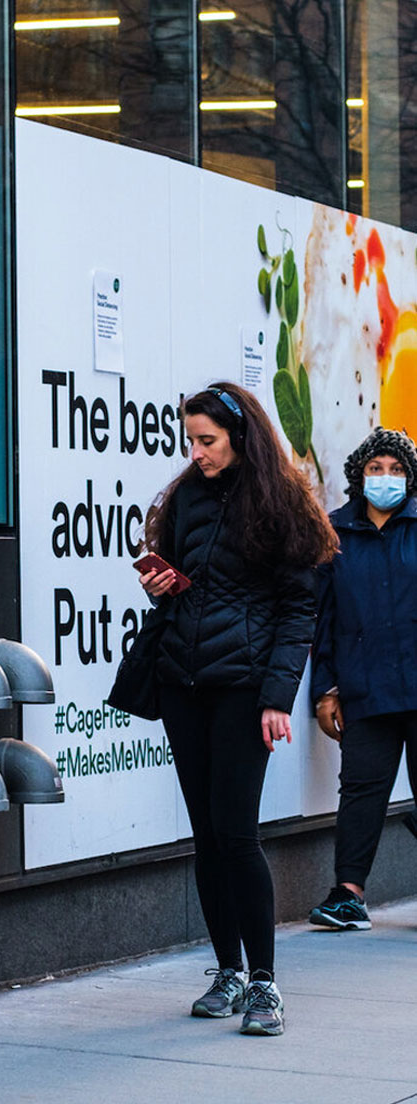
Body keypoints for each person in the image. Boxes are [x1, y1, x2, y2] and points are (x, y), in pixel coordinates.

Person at [137, 383, 336, 1036]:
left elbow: (298, 609)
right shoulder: (185, 497)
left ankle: (264, 982)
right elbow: (182, 585)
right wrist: (160, 583)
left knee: (236, 833)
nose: (196, 453)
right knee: (206, 835)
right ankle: (226, 971)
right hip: (182, 683)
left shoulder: (279, 503)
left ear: (241, 436)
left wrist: (277, 697)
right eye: (190, 441)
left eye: (208, 441)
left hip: (244, 690)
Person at [309, 428, 417, 931]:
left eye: (396, 469)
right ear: (359, 474)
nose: (385, 478)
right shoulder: (334, 534)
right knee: (360, 790)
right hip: (364, 686)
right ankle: (348, 896)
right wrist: (325, 690)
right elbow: (322, 620)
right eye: (376, 468)